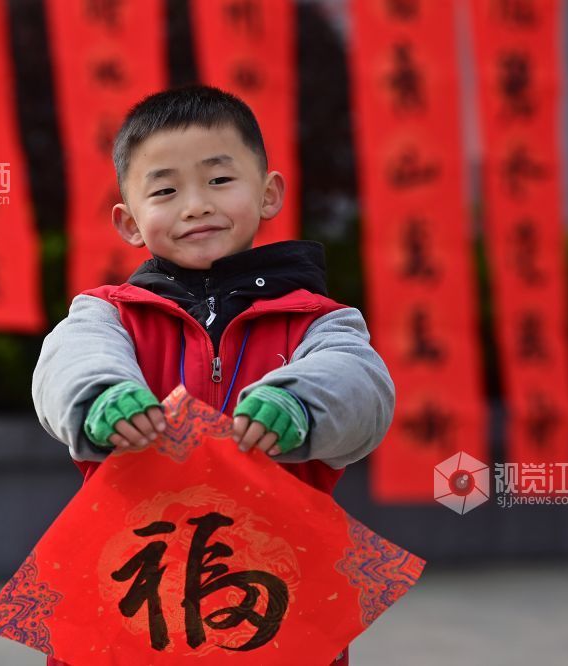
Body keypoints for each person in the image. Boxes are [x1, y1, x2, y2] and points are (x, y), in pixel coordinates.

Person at [32, 84, 394, 665]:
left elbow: (361, 385)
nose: (196, 205)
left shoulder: (320, 321)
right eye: (165, 190)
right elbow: (70, 359)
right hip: (133, 590)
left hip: (274, 600)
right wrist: (100, 395)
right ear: (128, 221)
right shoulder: (108, 315)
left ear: (269, 193)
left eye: (220, 179)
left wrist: (298, 403)